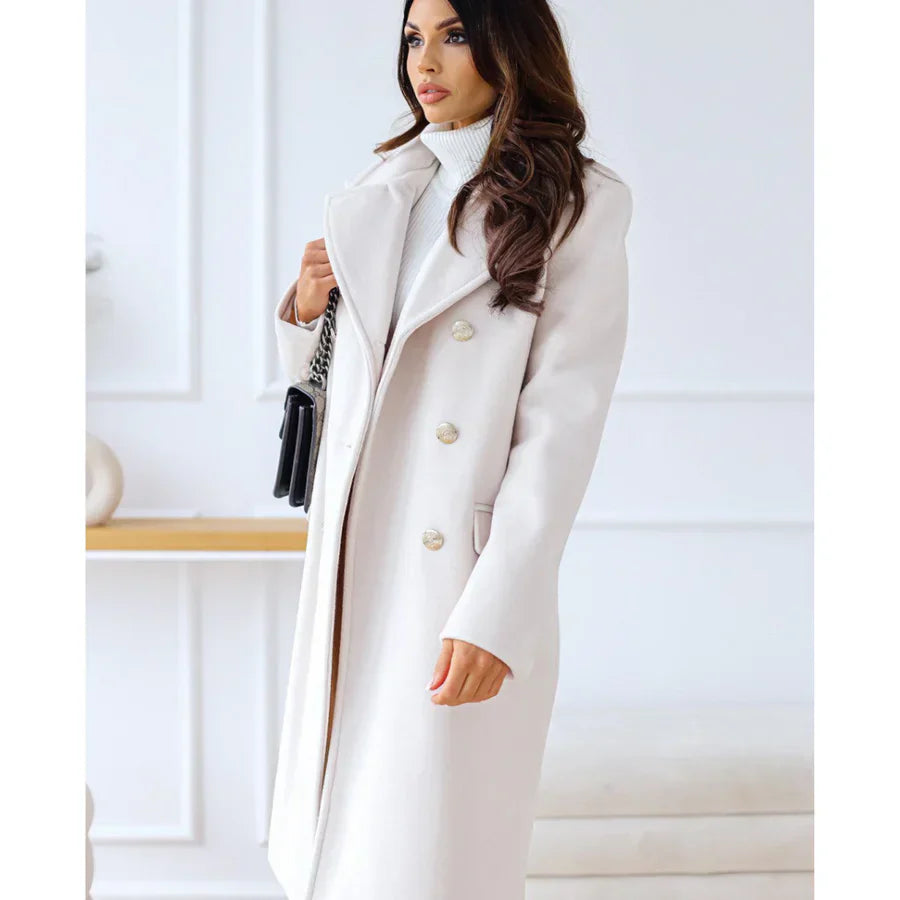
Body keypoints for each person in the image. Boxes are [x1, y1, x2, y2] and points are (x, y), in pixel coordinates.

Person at [267, 1, 633, 898]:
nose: (425, 62)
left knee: (428, 857)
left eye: (456, 35)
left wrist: (497, 611)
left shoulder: (579, 202)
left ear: (512, 44)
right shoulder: (384, 189)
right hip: (357, 554)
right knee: (339, 848)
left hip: (455, 576)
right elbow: (356, 400)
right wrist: (306, 317)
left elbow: (562, 425)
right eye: (413, 38)